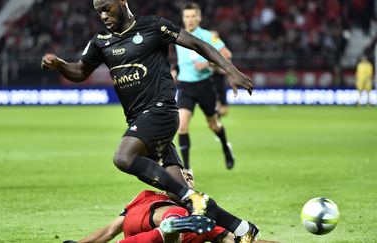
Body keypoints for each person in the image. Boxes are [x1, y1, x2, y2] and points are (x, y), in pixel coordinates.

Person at [41, 0, 257, 241]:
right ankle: (241, 229)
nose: (103, 15)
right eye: (98, 11)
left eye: (106, 8)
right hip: (141, 120)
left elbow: (197, 43)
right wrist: (59, 65)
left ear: (122, 2)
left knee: (123, 157)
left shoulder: (153, 27)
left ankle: (191, 198)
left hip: (160, 111)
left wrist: (230, 70)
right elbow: (80, 72)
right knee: (176, 193)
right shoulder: (101, 42)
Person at [64, 171, 277, 243]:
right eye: (180, 176)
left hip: (145, 237)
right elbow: (110, 229)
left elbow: (237, 241)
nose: (186, 180)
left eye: (189, 178)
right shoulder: (145, 196)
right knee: (180, 215)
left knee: (188, 216)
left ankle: (171, 226)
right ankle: (171, 225)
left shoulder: (203, 219)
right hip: (152, 221)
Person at [174, 3, 236, 171]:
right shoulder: (177, 35)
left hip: (204, 86)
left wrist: (207, 62)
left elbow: (227, 54)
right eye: (187, 16)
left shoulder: (208, 36)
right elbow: (181, 62)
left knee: (213, 125)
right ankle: (186, 169)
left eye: (193, 16)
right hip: (185, 87)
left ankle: (225, 147)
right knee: (182, 126)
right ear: (183, 18)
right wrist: (174, 70)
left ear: (199, 17)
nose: (190, 19)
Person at [210, 30, 232, 117]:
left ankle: (217, 115)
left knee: (224, 110)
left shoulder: (223, 51)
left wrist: (218, 67)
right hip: (210, 80)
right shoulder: (204, 50)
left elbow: (227, 67)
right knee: (215, 104)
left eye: (215, 37)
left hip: (220, 80)